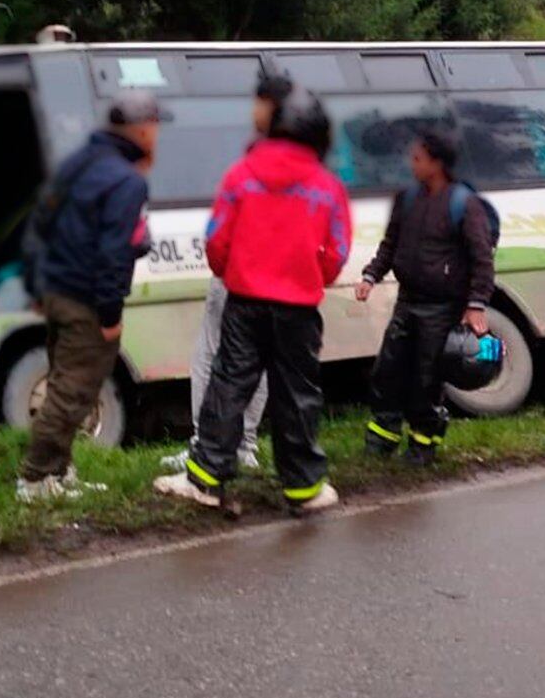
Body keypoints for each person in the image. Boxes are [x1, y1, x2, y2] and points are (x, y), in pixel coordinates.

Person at [154, 87, 350, 515]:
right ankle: (304, 489)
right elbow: (337, 251)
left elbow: (217, 239)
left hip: (244, 302)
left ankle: (205, 479)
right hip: (298, 309)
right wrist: (310, 278)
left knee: (228, 385)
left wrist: (233, 272)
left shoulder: (240, 175)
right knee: (297, 393)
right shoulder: (327, 187)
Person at [17, 90, 167, 503]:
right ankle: (34, 480)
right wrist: (109, 313)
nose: (157, 134)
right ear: (141, 129)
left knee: (63, 383)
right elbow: (114, 253)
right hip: (86, 300)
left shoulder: (77, 162)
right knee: (73, 392)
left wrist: (35, 284)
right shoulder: (127, 180)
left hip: (55, 291)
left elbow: (39, 222)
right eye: (155, 126)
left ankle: (58, 474)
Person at [162, 70, 291, 476]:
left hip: (239, 275)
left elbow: (222, 230)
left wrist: (222, 265)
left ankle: (207, 445)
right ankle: (246, 447)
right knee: (263, 361)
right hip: (280, 279)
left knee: (212, 356)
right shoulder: (305, 160)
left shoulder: (252, 160)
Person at [354, 128, 494, 467]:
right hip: (407, 301)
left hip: (443, 307)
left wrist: (475, 305)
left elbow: (482, 258)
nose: (411, 163)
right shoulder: (407, 198)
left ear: (437, 163)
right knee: (387, 370)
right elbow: (390, 244)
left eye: (417, 158)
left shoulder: (465, 204)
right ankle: (382, 438)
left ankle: (423, 444)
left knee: (426, 378)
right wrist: (371, 275)